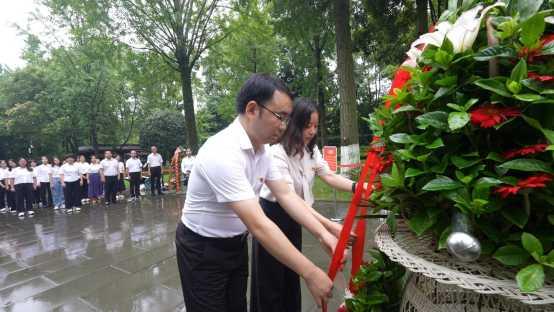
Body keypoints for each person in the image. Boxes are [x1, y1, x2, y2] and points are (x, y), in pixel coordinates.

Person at [176, 74, 337, 312]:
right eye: (280, 117)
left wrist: (323, 232)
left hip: (235, 245)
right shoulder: (221, 152)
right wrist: (310, 272)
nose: (284, 126)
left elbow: (286, 195)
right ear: (252, 109)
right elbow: (259, 225)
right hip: (202, 251)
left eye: (287, 119)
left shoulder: (263, 152)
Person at [251, 98, 361, 312]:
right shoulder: (276, 154)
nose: (311, 131)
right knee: (270, 279)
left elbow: (328, 176)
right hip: (273, 216)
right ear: (294, 123)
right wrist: (328, 228)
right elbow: (290, 197)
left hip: (296, 216)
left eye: (315, 126)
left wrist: (358, 186)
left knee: (292, 275)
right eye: (306, 125)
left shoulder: (311, 150)